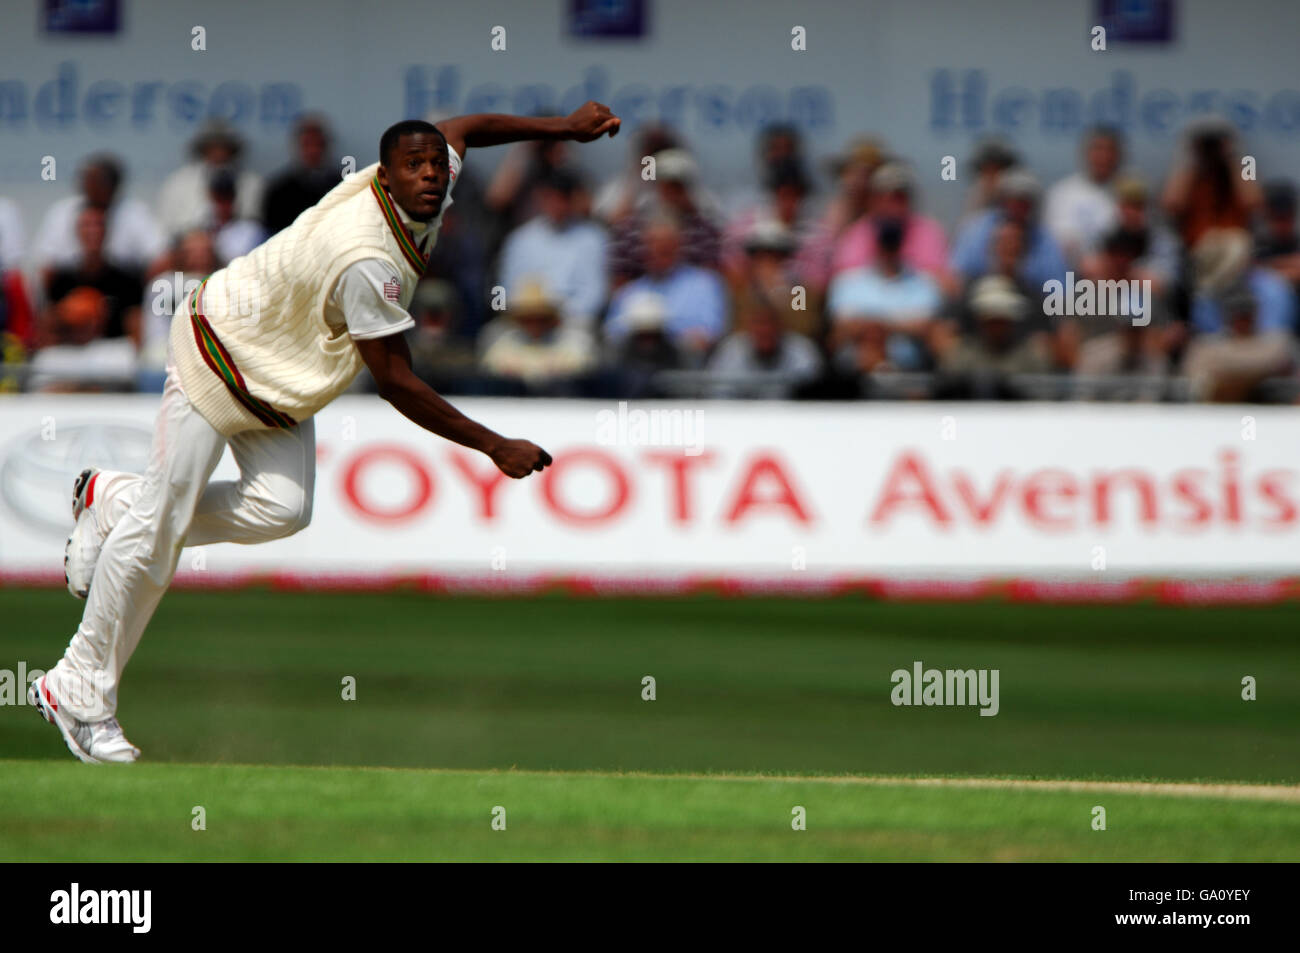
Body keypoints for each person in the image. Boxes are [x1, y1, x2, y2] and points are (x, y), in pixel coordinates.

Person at [28, 102, 622, 764]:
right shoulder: (366, 259)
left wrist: (562, 130)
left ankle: (112, 499)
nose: (431, 175)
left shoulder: (433, 176)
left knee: (282, 508)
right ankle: (76, 691)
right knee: (159, 534)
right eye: (414, 167)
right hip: (216, 351)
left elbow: (464, 128)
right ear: (384, 180)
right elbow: (397, 382)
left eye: (435, 166)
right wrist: (493, 444)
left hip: (279, 378)